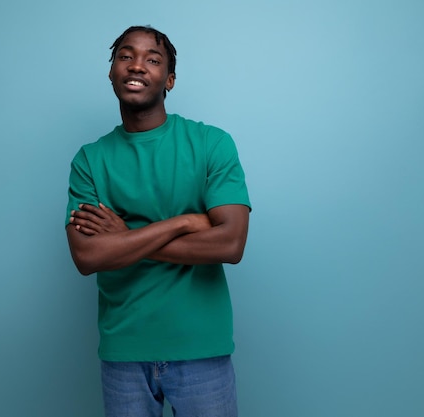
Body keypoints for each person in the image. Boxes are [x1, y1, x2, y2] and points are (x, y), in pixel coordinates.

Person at [65, 25, 251, 417]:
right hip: (124, 351)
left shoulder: (211, 144)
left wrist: (125, 238)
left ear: (169, 79)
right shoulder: (89, 160)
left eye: (153, 59)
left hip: (201, 348)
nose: (137, 66)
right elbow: (86, 256)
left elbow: (230, 244)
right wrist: (184, 222)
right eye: (125, 56)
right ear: (112, 72)